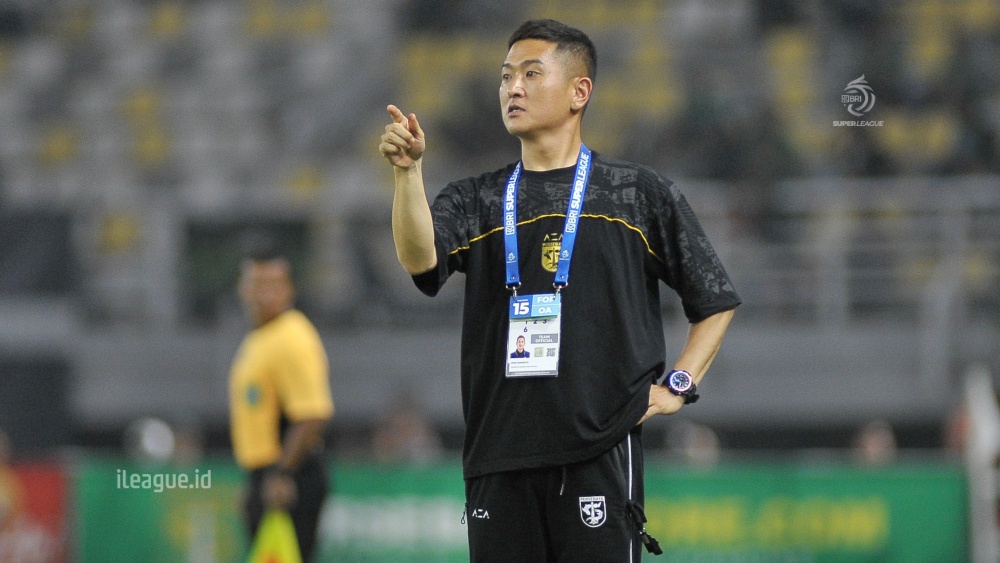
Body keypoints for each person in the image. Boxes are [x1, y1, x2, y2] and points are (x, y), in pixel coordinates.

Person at [379, 19, 740, 561]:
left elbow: (714, 300)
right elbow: (419, 260)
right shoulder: (475, 199)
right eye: (506, 76)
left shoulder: (635, 194)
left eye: (530, 74)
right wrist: (408, 175)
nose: (513, 88)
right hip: (498, 456)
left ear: (579, 91)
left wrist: (679, 384)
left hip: (599, 452)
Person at [229, 246, 334, 562]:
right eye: (255, 284)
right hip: (266, 473)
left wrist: (281, 474)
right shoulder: (260, 338)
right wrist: (254, 482)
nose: (262, 294)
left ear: (289, 290)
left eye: (272, 285)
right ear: (243, 289)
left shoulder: (292, 336)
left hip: (291, 475)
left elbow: (311, 415)